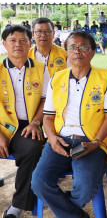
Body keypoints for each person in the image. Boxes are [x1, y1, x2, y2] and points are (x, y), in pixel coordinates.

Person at [31, 31, 107, 218]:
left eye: (84, 47)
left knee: (86, 188)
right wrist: (53, 139)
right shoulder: (57, 78)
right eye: (72, 47)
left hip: (90, 141)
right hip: (60, 139)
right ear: (66, 52)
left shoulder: (106, 77)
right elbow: (47, 117)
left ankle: (65, 211)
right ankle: (75, 215)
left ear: (93, 52)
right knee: (39, 182)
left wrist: (96, 142)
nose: (77, 51)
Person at [0, 25, 49, 218]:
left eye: (23, 40)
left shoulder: (40, 68)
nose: (17, 45)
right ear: (4, 44)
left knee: (34, 148)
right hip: (2, 126)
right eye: (12, 40)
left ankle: (18, 205)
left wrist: (36, 123)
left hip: (28, 125)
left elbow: (46, 99)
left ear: (30, 43)